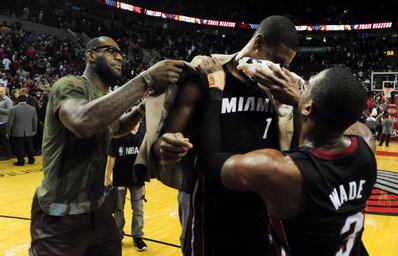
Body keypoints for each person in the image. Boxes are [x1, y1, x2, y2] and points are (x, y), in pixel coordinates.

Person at [152, 16, 301, 256]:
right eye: (277, 61)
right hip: (212, 208)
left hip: (260, 209)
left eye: (285, 66)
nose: (279, 70)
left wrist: (297, 103)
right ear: (259, 42)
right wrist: (167, 144)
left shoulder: (279, 90)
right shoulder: (206, 76)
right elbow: (165, 140)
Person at [29, 36, 186, 256]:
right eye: (111, 51)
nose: (120, 56)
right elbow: (82, 122)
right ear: (91, 55)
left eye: (121, 52)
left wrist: (141, 108)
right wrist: (146, 79)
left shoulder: (103, 97)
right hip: (60, 215)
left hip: (98, 210)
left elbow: (117, 128)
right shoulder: (69, 85)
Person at [200, 67, 377, 255]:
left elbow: (209, 160)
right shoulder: (367, 145)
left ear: (309, 107)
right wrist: (302, 101)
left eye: (306, 86)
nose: (300, 88)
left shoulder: (284, 171)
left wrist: (215, 91)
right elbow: (348, 120)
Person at [105, 119, 147, 251]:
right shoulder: (119, 132)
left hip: (138, 179)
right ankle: (117, 235)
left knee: (138, 209)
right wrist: (107, 177)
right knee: (118, 209)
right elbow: (112, 157)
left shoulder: (144, 131)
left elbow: (147, 155)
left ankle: (138, 236)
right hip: (120, 178)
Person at [6, 94, 37, 165]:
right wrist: (34, 130)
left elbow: (10, 122)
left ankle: (21, 161)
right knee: (30, 146)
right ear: (26, 100)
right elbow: (35, 120)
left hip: (17, 131)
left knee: (19, 147)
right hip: (29, 131)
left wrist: (7, 132)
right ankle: (31, 160)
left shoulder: (14, 109)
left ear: (18, 100)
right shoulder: (32, 109)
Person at [0, 86, 13, 160]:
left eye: (1, 91)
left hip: (5, 123)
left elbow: (10, 111)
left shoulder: (8, 100)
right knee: (2, 140)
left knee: (5, 140)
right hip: (0, 123)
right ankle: (3, 153)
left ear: (5, 92)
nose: (0, 93)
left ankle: (8, 155)